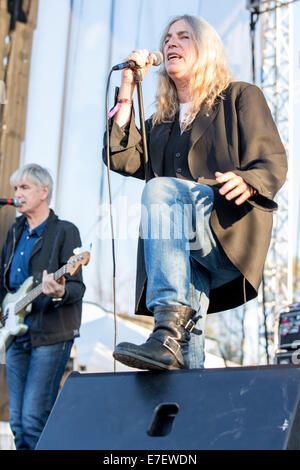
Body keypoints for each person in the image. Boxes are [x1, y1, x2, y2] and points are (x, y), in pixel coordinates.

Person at [103, 15, 287, 371]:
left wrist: (248, 180)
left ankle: (166, 330)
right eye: (167, 37)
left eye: (183, 37)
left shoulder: (239, 97)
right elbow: (120, 156)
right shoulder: (162, 122)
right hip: (179, 247)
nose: (170, 43)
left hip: (225, 227)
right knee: (189, 345)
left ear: (205, 50)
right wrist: (127, 86)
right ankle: (179, 356)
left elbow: (273, 160)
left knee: (160, 190)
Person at [0, 163, 85, 450]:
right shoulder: (14, 233)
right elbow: (5, 283)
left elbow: (77, 287)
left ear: (43, 192)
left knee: (35, 418)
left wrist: (60, 291)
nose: (17, 194)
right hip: (16, 336)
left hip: (51, 335)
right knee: (18, 424)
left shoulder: (64, 232)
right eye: (15, 189)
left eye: (24, 187)